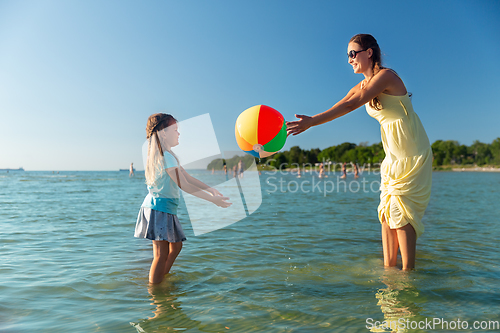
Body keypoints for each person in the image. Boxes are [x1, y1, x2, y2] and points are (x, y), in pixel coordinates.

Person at [287, 34, 432, 270]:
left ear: (369, 52)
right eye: (348, 56)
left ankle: (408, 276)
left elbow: (351, 105)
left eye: (353, 54)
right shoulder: (363, 84)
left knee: (401, 212)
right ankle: (389, 272)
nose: (349, 60)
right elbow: (343, 102)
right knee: (386, 213)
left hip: (412, 152)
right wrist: (312, 120)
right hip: (393, 156)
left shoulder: (386, 76)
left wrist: (312, 122)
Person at [135, 113, 231, 284]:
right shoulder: (166, 156)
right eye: (175, 130)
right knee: (160, 254)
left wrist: (210, 189)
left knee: (176, 246)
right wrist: (212, 200)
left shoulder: (166, 155)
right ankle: (156, 291)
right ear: (164, 133)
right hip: (159, 208)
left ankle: (161, 278)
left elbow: (188, 178)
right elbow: (184, 185)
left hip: (163, 207)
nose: (178, 133)